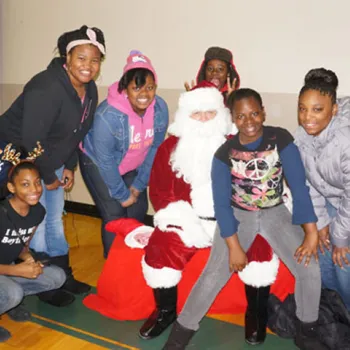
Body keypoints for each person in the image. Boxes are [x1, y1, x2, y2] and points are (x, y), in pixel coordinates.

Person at [163, 88, 328, 350]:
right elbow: (222, 206)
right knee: (213, 275)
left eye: (254, 113)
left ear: (262, 112)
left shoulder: (280, 138)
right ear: (233, 118)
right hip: (239, 216)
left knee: (310, 268)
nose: (249, 121)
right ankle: (179, 335)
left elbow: (298, 185)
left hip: (276, 212)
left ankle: (306, 331)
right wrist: (234, 247)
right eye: (241, 116)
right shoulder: (223, 153)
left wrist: (311, 232)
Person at [0, 25, 106, 306]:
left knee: (54, 217)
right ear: (67, 57)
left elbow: (77, 131)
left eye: (95, 60)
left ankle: (61, 274)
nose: (88, 65)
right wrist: (47, 176)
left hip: (48, 159)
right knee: (31, 219)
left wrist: (69, 165)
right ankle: (38, 283)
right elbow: (31, 139)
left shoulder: (89, 89)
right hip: (16, 157)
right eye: (81, 58)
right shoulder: (46, 85)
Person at [79, 50, 168, 257]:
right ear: (125, 89)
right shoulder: (107, 115)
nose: (144, 94)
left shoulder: (160, 108)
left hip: (132, 163)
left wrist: (138, 186)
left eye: (150, 87)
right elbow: (106, 160)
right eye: (137, 88)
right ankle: (113, 268)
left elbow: (155, 148)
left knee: (137, 210)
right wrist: (121, 193)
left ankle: (130, 262)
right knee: (115, 215)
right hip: (98, 164)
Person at [294, 68, 350, 310]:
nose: (308, 117)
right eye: (303, 108)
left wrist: (339, 236)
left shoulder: (345, 140)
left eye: (317, 109)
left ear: (334, 110)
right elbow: (309, 183)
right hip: (330, 199)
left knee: (343, 259)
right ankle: (335, 309)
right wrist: (322, 223)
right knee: (323, 254)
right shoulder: (301, 137)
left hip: (346, 202)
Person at [0, 158, 66, 342]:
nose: (35, 189)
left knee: (57, 277)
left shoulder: (38, 212)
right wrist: (15, 270)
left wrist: (27, 257)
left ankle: (8, 302)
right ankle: (10, 297)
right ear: (12, 188)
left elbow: (23, 246)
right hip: (6, 269)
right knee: (13, 293)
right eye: (25, 184)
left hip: (7, 269)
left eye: (37, 182)